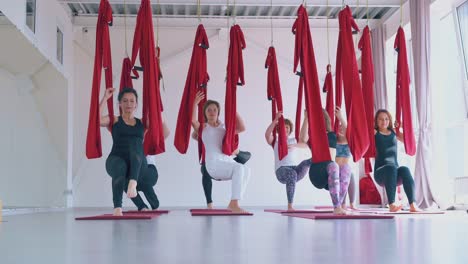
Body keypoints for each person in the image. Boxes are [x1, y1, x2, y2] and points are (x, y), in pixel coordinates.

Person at [100, 87, 170, 216]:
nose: (128, 104)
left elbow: (164, 133)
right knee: (120, 167)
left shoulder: (142, 123)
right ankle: (117, 208)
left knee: (135, 143)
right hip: (116, 159)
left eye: (132, 101)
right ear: (119, 104)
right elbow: (97, 120)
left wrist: (160, 116)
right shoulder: (114, 119)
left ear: (136, 104)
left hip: (137, 163)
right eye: (125, 101)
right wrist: (105, 98)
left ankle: (133, 181)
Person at [191, 91, 250, 213]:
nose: (212, 112)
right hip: (213, 164)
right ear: (205, 114)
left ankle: (234, 202)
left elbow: (242, 128)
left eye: (214, 110)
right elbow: (192, 121)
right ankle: (234, 204)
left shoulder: (224, 128)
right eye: (209, 110)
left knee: (247, 170)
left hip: (226, 161)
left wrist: (234, 110)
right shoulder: (203, 128)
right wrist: (194, 103)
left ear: (218, 113)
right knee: (239, 168)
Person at [264, 111, 311, 210]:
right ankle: (290, 205)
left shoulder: (294, 140)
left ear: (290, 130)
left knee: (309, 161)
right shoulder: (275, 141)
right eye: (283, 127)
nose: (285, 129)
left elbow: (306, 145)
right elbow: (267, 134)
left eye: (287, 127)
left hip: (295, 169)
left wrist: (294, 145)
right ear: (278, 130)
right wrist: (275, 120)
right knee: (291, 174)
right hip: (281, 171)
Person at [373, 109, 418, 212]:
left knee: (405, 169)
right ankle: (392, 204)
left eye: (386, 119)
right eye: (380, 119)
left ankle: (413, 204)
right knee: (391, 167)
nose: (384, 121)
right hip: (381, 174)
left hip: (394, 174)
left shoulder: (394, 132)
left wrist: (402, 126)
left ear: (389, 120)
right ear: (376, 121)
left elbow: (409, 141)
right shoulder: (374, 133)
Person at [308, 109, 352, 215]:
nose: (341, 129)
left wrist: (340, 117)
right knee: (334, 166)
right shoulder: (322, 137)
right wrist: (306, 119)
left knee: (347, 168)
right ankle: (338, 206)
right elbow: (303, 138)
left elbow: (348, 134)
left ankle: (340, 205)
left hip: (335, 175)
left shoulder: (340, 137)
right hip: (323, 173)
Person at [334, 106, 356, 209]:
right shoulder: (334, 139)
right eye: (339, 127)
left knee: (349, 175)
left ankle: (351, 203)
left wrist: (341, 118)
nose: (341, 129)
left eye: (343, 127)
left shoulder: (349, 140)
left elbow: (348, 131)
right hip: (335, 168)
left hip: (345, 167)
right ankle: (342, 203)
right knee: (344, 176)